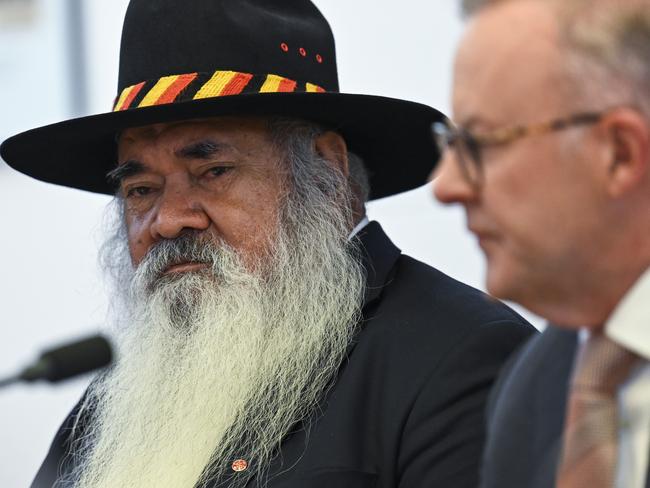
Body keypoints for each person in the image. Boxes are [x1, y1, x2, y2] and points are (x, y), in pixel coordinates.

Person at [1, 1, 533, 487]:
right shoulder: (113, 406)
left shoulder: (463, 358)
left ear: (328, 173)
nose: (166, 221)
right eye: (141, 190)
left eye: (213, 171)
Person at [432, 0, 650, 487]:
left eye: (481, 144)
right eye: (448, 143)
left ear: (619, 154)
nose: (445, 186)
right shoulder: (535, 383)